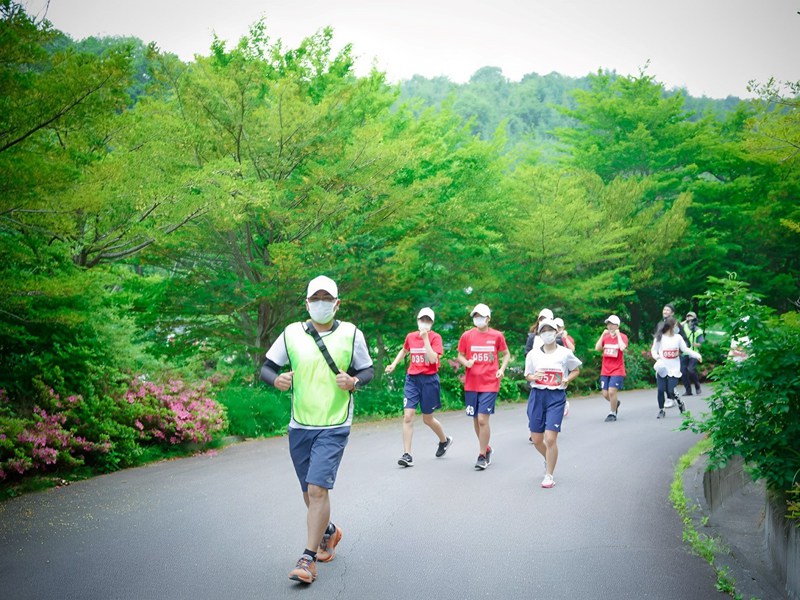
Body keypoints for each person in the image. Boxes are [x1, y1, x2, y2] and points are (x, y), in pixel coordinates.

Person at [260, 275, 374, 585]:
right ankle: (329, 532)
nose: (321, 304)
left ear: (337, 304)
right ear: (306, 302)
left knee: (317, 489)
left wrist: (355, 382)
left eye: (327, 299)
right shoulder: (291, 334)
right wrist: (276, 379)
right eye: (316, 298)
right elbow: (267, 366)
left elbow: (368, 369)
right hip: (300, 424)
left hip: (335, 423)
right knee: (308, 493)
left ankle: (307, 560)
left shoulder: (352, 334)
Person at [385, 307, 453, 467]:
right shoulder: (410, 336)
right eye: (422, 319)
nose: (424, 323)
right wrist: (393, 364)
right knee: (408, 416)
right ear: (417, 320)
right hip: (412, 380)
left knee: (427, 419)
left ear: (432, 323)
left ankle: (444, 440)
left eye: (428, 320)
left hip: (429, 380)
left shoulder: (436, 338)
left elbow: (432, 359)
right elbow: (404, 349)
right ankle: (407, 454)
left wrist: (425, 340)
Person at [525, 318, 582, 488]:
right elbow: (527, 375)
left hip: (556, 397)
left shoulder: (565, 353)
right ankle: (547, 458)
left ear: (556, 332)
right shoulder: (533, 354)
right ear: (540, 334)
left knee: (550, 438)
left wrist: (567, 379)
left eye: (550, 330)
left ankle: (549, 474)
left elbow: (576, 370)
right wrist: (533, 377)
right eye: (544, 330)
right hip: (537, 396)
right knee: (536, 439)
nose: (547, 333)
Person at [457, 303, 510, 470]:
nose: (477, 319)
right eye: (475, 316)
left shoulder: (497, 336)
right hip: (472, 383)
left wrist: (501, 369)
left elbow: (506, 353)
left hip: (490, 383)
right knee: (475, 419)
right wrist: (467, 362)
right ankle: (486, 448)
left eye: (480, 316)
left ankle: (481, 455)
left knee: (482, 419)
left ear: (488, 318)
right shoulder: (467, 335)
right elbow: (460, 355)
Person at [651, 316, 702, 419]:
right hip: (662, 368)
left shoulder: (678, 338)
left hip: (674, 369)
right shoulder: (660, 338)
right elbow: (653, 350)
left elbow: (685, 349)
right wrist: (657, 358)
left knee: (670, 390)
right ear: (670, 326)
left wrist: (697, 355)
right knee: (661, 390)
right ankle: (661, 410)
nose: (677, 327)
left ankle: (680, 402)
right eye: (675, 325)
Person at [594, 314, 628, 422]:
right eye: (608, 324)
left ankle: (612, 413)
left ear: (617, 326)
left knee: (612, 391)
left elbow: (622, 347)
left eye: (612, 324)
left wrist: (617, 335)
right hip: (605, 369)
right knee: (605, 394)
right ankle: (615, 403)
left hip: (617, 369)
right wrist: (602, 335)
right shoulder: (606, 336)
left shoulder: (622, 336)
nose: (610, 327)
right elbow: (597, 348)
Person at [654, 303, 680, 408]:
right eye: (664, 310)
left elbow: (682, 339)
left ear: (672, 313)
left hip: (673, 356)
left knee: (670, 380)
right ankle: (670, 394)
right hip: (663, 357)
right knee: (662, 381)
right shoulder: (660, 324)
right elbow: (657, 338)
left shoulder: (676, 324)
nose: (665, 312)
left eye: (668, 310)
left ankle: (670, 398)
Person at [681, 311, 704, 396]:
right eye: (688, 317)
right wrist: (685, 321)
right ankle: (688, 390)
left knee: (690, 369)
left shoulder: (698, 330)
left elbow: (700, 344)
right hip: (684, 352)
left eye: (691, 318)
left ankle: (697, 386)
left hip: (694, 352)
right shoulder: (683, 326)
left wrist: (695, 344)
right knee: (682, 371)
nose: (690, 319)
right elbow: (675, 327)